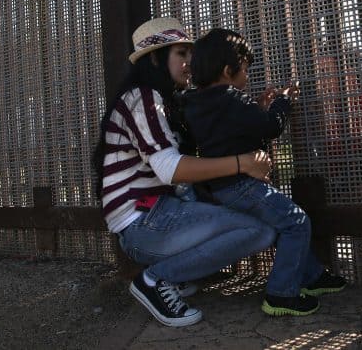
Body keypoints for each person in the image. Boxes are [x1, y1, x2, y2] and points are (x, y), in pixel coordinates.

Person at [95, 17, 277, 327]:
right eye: (181, 54)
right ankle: (155, 280)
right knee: (258, 230)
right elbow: (170, 169)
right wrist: (242, 163)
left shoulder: (165, 102)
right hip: (144, 222)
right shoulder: (143, 98)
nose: (189, 63)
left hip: (156, 216)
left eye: (190, 55)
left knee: (246, 221)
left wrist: (255, 112)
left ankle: (174, 273)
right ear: (154, 58)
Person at [183, 28, 347, 317]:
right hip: (243, 185)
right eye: (245, 69)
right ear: (227, 70)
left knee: (284, 224)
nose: (246, 76)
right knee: (296, 222)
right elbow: (271, 126)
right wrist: (282, 101)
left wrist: (256, 106)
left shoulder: (196, 103)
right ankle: (281, 293)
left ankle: (311, 276)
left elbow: (230, 129)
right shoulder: (232, 99)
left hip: (220, 188)